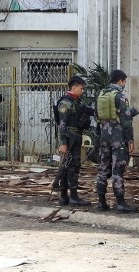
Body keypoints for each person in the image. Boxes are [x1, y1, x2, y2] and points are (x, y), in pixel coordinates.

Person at [95, 69, 139, 213]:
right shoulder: (120, 96)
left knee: (103, 168)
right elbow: (126, 120)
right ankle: (120, 202)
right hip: (117, 138)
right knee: (117, 169)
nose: (125, 84)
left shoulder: (101, 95)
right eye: (124, 81)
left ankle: (101, 202)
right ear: (120, 81)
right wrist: (130, 139)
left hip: (104, 137)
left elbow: (97, 116)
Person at [54, 75, 94, 207]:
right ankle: (70, 196)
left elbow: (88, 111)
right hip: (70, 139)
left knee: (71, 166)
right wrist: (64, 143)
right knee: (71, 167)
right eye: (81, 88)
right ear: (74, 87)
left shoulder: (77, 101)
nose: (83, 91)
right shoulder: (66, 103)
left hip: (76, 137)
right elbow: (62, 125)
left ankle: (66, 197)